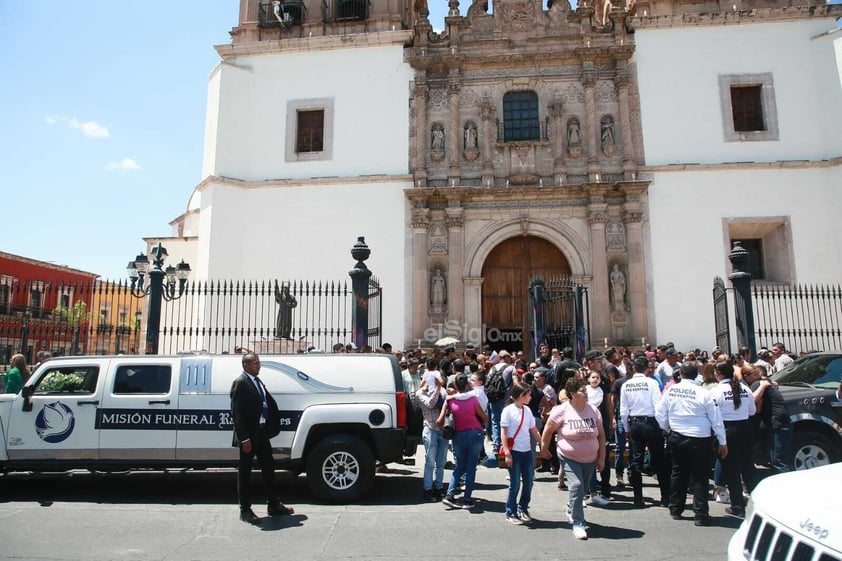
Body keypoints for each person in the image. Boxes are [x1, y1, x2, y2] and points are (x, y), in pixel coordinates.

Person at [656, 361, 727, 526]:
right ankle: (700, 515)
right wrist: (722, 441)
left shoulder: (671, 390)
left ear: (680, 374)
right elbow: (716, 418)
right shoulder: (703, 392)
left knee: (678, 472)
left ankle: (675, 509)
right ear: (697, 375)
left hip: (677, 435)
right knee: (700, 476)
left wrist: (666, 427)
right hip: (700, 438)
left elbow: (660, 412)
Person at [230, 353, 294, 524]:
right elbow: (237, 415)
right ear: (245, 365)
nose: (258, 366)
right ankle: (245, 510)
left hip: (262, 433)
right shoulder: (241, 383)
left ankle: (273, 504)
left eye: (259, 363)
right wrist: (244, 439)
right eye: (255, 363)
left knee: (269, 469)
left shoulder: (257, 382)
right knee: (245, 473)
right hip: (249, 436)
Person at [540, 376, 606, 540]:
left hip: (590, 457)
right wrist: (544, 449)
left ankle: (572, 507)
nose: (585, 392)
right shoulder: (562, 410)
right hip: (569, 456)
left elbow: (602, 436)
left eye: (585, 389)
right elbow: (548, 430)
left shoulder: (593, 410)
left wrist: (602, 458)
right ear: (571, 394)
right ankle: (578, 522)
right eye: (581, 390)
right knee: (576, 485)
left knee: (582, 489)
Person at [620, 355, 669, 507]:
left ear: (633, 368)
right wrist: (663, 426)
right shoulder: (652, 383)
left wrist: (627, 428)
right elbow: (658, 406)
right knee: (659, 459)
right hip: (651, 423)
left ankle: (638, 497)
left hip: (635, 423)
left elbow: (623, 410)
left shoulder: (626, 385)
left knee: (636, 460)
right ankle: (665, 497)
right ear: (647, 368)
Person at [709, 361, 756, 518]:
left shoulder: (716, 391)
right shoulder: (745, 388)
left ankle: (738, 506)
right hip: (745, 429)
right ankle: (756, 504)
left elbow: (714, 416)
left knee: (732, 471)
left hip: (727, 431)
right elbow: (752, 411)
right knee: (748, 468)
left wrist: (721, 440)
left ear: (719, 374)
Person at [437, 373, 488, 509]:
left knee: (459, 466)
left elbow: (439, 421)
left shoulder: (450, 400)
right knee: (471, 467)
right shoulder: (473, 399)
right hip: (475, 434)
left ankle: (450, 494)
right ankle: (466, 499)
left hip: (458, 435)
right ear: (467, 385)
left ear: (454, 385)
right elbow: (485, 418)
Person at [501, 381, 542, 524]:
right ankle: (510, 512)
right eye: (528, 395)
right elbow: (504, 433)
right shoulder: (508, 411)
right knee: (515, 483)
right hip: (514, 452)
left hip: (527, 451)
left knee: (529, 481)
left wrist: (543, 444)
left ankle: (523, 508)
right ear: (520, 395)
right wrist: (507, 453)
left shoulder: (527, 410)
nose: (530, 397)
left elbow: (533, 430)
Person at [417, 357, 448, 501]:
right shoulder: (420, 393)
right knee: (430, 462)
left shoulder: (442, 391)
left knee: (441, 462)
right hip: (430, 429)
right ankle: (427, 488)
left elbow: (448, 402)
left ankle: (439, 486)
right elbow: (430, 404)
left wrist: (442, 388)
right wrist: (437, 388)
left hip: (442, 431)